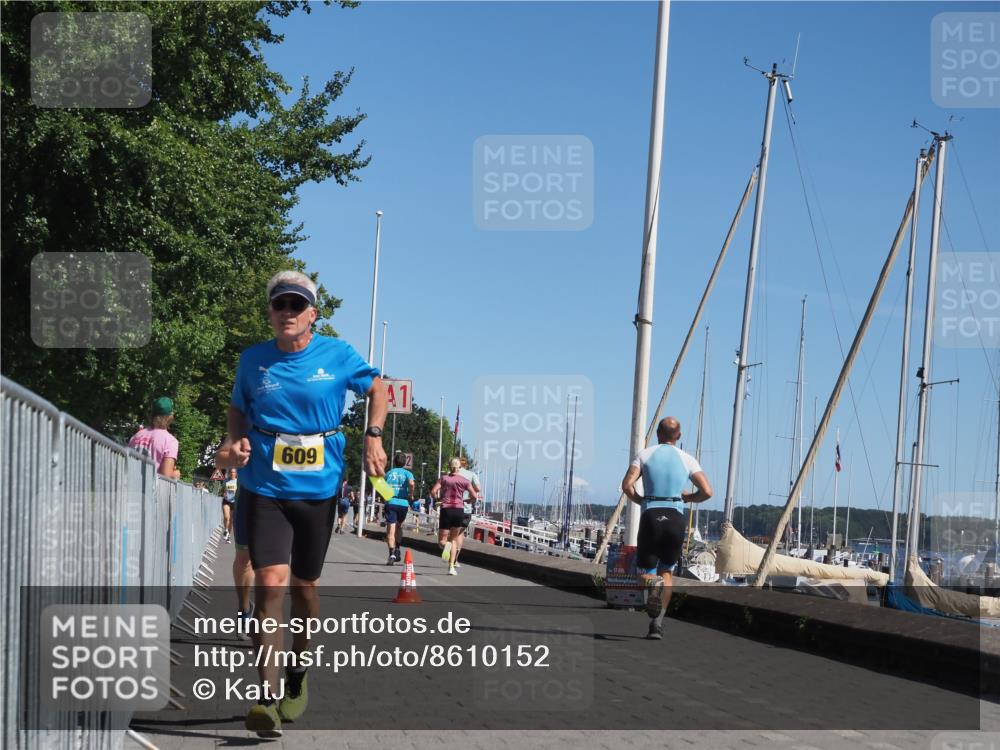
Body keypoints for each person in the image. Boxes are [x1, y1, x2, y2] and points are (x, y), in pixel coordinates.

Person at [216, 270, 387, 736]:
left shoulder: (337, 353)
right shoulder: (254, 360)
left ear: (313, 313)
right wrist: (236, 440)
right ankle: (267, 698)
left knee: (305, 589)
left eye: (297, 305)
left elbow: (378, 389)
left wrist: (373, 435)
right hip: (265, 486)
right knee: (271, 584)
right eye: (280, 305)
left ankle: (298, 672)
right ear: (270, 312)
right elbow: (237, 407)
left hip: (318, 489)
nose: (287, 313)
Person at [621, 417, 712, 640]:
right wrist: (689, 498)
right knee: (667, 572)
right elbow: (707, 492)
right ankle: (657, 625)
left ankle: (653, 584)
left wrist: (641, 501)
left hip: (652, 515)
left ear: (658, 434)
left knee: (644, 573)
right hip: (676, 517)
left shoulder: (645, 454)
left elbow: (626, 485)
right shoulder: (688, 459)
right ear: (678, 436)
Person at [431, 458, 478, 576]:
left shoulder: (444, 478)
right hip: (459, 510)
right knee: (453, 539)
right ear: (459, 468)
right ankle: (451, 567)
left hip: (446, 509)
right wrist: (467, 500)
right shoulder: (465, 481)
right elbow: (474, 495)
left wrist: (438, 499)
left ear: (449, 466)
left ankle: (447, 547)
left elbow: (433, 491)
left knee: (442, 541)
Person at [128, 397, 182, 479]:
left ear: (152, 415)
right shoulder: (170, 441)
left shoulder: (136, 435)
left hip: (129, 487)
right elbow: (165, 478)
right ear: (170, 417)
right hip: (150, 490)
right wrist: (174, 475)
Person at [383, 453, 416, 564]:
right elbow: (411, 483)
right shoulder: (408, 473)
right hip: (403, 503)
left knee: (390, 531)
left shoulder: (389, 473)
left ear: (394, 462)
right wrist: (411, 494)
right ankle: (397, 548)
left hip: (391, 502)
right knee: (399, 526)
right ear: (404, 463)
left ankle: (391, 554)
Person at [454, 456, 481, 569]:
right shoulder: (471, 475)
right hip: (466, 508)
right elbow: (478, 488)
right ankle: (455, 559)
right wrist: (471, 495)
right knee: (460, 534)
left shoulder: (452, 474)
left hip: (452, 507)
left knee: (452, 533)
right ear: (466, 465)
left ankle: (449, 549)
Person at [221, 469, 238, 542]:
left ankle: (228, 535)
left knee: (231, 520)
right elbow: (223, 490)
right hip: (226, 501)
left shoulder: (238, 481)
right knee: (226, 516)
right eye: (230, 472)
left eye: (233, 472)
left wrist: (236, 493)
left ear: (236, 473)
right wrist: (224, 494)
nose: (232, 473)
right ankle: (226, 530)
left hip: (234, 502)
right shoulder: (226, 481)